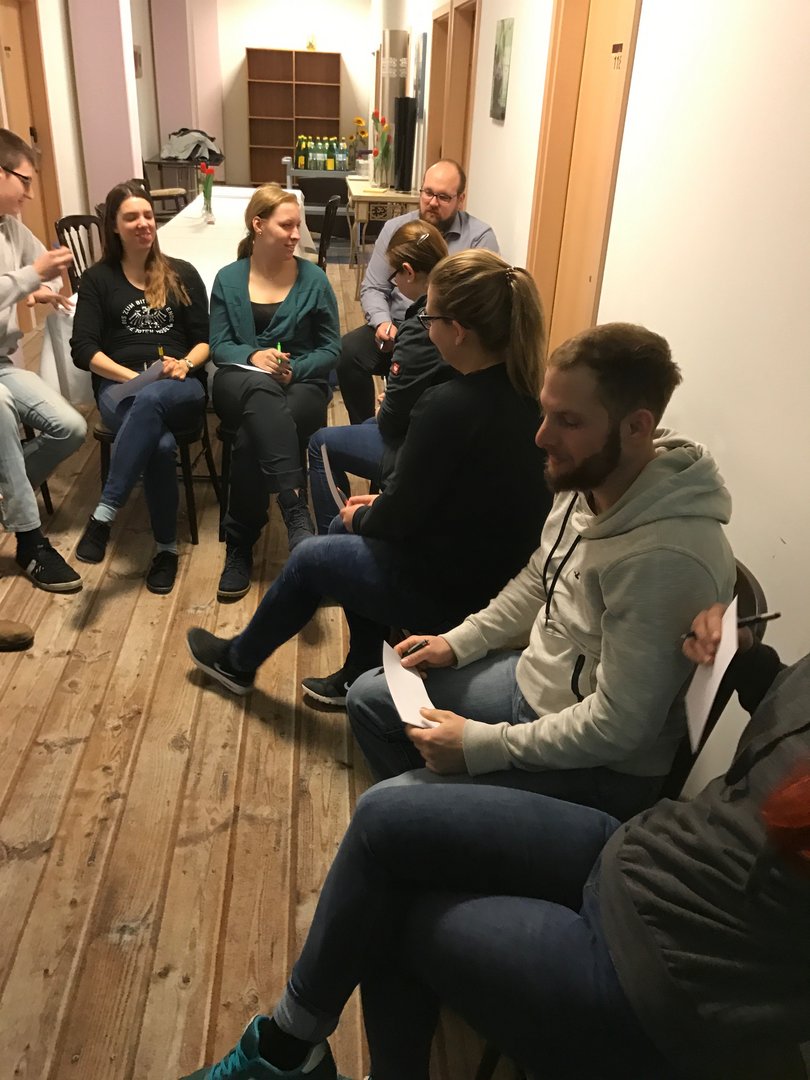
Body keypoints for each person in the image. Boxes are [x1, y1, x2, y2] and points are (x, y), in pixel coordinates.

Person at [180, 606, 810, 1080]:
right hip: (640, 853)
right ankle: (293, 1044)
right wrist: (746, 658)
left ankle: (299, 1054)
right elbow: (782, 711)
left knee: (388, 904)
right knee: (384, 819)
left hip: (660, 971)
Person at [347, 322, 737, 823]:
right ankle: (442, 829)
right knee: (369, 698)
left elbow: (618, 728)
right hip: (536, 685)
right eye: (545, 413)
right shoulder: (589, 478)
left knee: (382, 813)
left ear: (636, 427)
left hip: (602, 768)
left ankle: (434, 824)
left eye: (568, 421)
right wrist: (459, 641)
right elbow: (539, 577)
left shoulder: (666, 558)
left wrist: (483, 747)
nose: (542, 436)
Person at [187, 249, 551, 707]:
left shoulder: (447, 405)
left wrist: (368, 514)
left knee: (313, 555)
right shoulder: (531, 395)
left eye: (429, 319)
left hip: (457, 591)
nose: (425, 329)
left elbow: (399, 518)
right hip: (494, 569)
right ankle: (360, 668)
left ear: (458, 331)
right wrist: (377, 508)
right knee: (342, 528)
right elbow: (460, 501)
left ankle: (236, 662)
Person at [71, 180, 210, 595]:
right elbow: (83, 349)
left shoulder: (182, 273)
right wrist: (134, 378)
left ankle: (104, 515)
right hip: (121, 385)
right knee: (162, 446)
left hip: (180, 383)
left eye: (148, 215)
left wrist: (185, 364)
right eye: (131, 217)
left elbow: (206, 340)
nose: (143, 223)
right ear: (114, 226)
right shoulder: (98, 279)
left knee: (153, 398)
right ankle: (167, 549)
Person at [211, 184, 340, 600]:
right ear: (258, 225)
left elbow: (331, 348)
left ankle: (239, 543)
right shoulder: (229, 279)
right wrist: (253, 356)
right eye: (286, 226)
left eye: (297, 226)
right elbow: (219, 346)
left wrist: (295, 369)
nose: (296, 235)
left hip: (299, 384)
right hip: (240, 378)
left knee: (251, 438)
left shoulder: (313, 279)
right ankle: (293, 505)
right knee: (256, 390)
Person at [308, 219, 454, 533]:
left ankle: (336, 535)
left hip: (421, 447)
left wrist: (387, 405)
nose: (394, 284)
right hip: (444, 431)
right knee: (365, 424)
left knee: (320, 444)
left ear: (408, 272)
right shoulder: (460, 311)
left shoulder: (419, 329)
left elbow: (391, 421)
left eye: (394, 276)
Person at [337, 159, 498, 425]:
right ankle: (365, 428)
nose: (432, 202)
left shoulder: (479, 238)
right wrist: (383, 323)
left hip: (449, 334)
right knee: (348, 352)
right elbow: (374, 286)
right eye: (428, 193)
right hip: (397, 325)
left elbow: (479, 305)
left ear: (461, 199)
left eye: (443, 197)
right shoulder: (395, 229)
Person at [0, 128, 86, 592]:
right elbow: (30, 272)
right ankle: (30, 541)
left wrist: (42, 289)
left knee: (71, 428)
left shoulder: (10, 227)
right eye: (25, 181)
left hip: (2, 361)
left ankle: (8, 496)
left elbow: (43, 269)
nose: (30, 194)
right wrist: (31, 277)